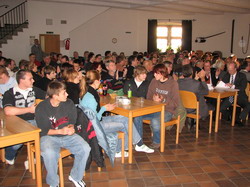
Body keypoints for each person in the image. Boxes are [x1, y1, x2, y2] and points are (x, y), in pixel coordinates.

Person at [79, 70, 154, 156]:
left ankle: (137, 144)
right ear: (96, 81)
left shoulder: (87, 91)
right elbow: (95, 119)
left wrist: (105, 108)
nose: (100, 82)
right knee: (124, 125)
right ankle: (118, 150)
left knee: (125, 118)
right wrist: (104, 108)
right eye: (99, 80)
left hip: (94, 122)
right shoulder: (91, 97)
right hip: (94, 126)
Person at [35, 80, 90, 187]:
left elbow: (72, 121)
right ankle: (53, 183)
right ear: (55, 96)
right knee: (50, 153)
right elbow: (43, 130)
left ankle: (75, 176)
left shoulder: (68, 103)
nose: (67, 94)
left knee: (85, 148)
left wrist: (70, 128)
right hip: (49, 137)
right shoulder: (42, 107)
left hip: (67, 135)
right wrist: (61, 131)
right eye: (64, 93)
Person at [2, 69, 46, 165]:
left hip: (34, 120)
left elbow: (47, 96)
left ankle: (34, 158)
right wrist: (29, 109)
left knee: (46, 132)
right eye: (30, 79)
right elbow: (8, 110)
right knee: (17, 144)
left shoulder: (33, 90)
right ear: (22, 80)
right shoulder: (10, 93)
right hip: (17, 122)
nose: (33, 81)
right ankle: (9, 155)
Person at [134, 64, 180, 149]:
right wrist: (153, 98)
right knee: (136, 116)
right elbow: (148, 97)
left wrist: (163, 100)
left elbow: (175, 103)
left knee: (155, 121)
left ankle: (157, 141)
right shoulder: (154, 81)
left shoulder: (173, 84)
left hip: (168, 110)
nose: (154, 75)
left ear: (162, 73)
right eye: (154, 73)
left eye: (156, 73)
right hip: (154, 109)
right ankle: (138, 142)